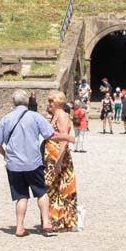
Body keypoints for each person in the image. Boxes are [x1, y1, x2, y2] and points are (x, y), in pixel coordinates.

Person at [0, 89, 55, 237]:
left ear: (13, 103)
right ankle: (46, 221)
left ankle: (19, 227)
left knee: (21, 196)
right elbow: (49, 134)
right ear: (27, 101)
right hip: (33, 161)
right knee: (41, 192)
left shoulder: (6, 119)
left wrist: (6, 155)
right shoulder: (35, 117)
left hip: (14, 164)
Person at [43, 91, 80, 231]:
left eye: (51, 101)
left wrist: (59, 161)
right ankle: (55, 219)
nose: (49, 104)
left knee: (61, 188)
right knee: (53, 189)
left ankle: (63, 221)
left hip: (59, 159)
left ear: (57, 103)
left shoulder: (63, 116)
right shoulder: (55, 115)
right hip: (51, 159)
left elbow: (64, 139)